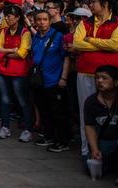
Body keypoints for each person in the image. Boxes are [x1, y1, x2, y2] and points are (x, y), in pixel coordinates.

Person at [74, 0, 118, 157]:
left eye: (94, 2)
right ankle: (87, 150)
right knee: (86, 111)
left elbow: (115, 45)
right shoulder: (85, 23)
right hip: (85, 72)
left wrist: (90, 40)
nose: (90, 5)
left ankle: (112, 151)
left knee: (113, 112)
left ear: (105, 4)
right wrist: (102, 45)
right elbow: (77, 43)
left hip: (111, 76)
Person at [29, 9, 71, 153]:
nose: (41, 22)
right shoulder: (36, 37)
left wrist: (63, 78)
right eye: (38, 19)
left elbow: (66, 57)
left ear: (50, 21)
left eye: (44, 19)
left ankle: (62, 141)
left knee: (58, 112)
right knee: (44, 110)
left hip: (54, 81)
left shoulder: (58, 36)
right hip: (39, 81)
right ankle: (49, 136)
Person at [84, 65, 118, 183]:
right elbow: (89, 126)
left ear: (116, 82)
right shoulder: (91, 101)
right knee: (90, 164)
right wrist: (94, 149)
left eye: (105, 78)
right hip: (107, 141)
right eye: (97, 78)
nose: (99, 81)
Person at [0, 4, 34, 142]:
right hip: (4, 71)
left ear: (17, 17)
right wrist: (11, 51)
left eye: (9, 16)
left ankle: (28, 129)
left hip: (19, 72)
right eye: (6, 16)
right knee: (5, 100)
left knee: (22, 100)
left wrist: (4, 52)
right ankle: (5, 127)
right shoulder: (4, 31)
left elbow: (22, 53)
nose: (7, 18)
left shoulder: (25, 33)